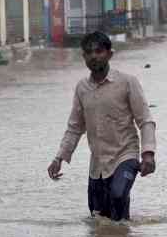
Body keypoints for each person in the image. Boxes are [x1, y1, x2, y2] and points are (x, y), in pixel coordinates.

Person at [47, 31, 156, 222]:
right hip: (98, 164)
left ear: (109, 54)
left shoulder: (127, 82)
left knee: (118, 195)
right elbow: (75, 127)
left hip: (125, 155)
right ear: (84, 57)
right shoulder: (82, 88)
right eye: (89, 52)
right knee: (99, 219)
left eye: (99, 51)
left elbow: (145, 120)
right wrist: (59, 158)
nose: (94, 56)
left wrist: (148, 153)